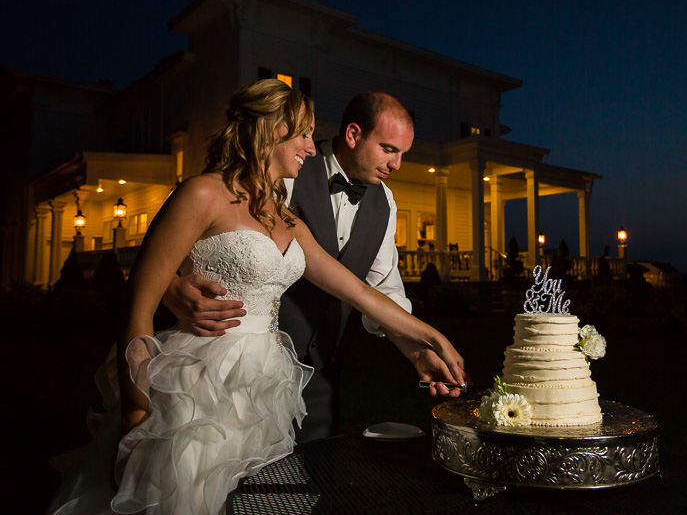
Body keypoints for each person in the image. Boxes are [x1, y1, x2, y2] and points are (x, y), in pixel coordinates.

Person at [48, 80, 468, 515]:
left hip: (271, 390)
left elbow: (363, 291)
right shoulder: (205, 192)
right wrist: (137, 418)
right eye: (303, 133)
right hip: (198, 384)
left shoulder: (286, 218)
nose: (310, 145)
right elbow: (138, 305)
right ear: (272, 130)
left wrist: (431, 341)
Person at [163, 91, 460, 442]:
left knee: (305, 480)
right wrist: (170, 287)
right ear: (353, 135)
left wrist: (418, 347)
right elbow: (197, 236)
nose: (397, 165)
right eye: (389, 149)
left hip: (320, 373)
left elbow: (378, 290)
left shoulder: (385, 203)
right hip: (237, 360)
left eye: (402, 154)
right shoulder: (284, 169)